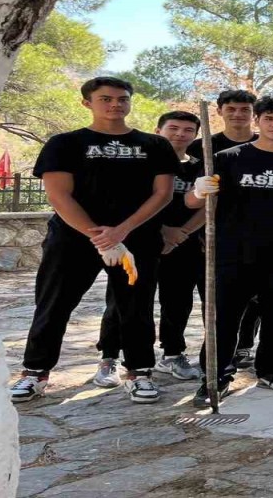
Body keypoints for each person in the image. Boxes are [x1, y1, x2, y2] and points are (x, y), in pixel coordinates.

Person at [10, 77, 179, 404]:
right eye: (106, 99)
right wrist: (99, 237)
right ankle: (35, 372)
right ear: (87, 102)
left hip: (136, 239)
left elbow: (163, 194)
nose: (115, 104)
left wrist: (122, 231)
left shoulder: (154, 146)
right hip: (73, 240)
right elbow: (59, 195)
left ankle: (139, 371)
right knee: (54, 304)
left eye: (122, 98)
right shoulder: (65, 143)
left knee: (136, 307)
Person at [187, 96, 273, 405]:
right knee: (222, 318)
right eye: (269, 119)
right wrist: (199, 190)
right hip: (231, 254)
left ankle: (272, 371)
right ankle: (215, 376)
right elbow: (191, 203)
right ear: (258, 121)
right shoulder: (226, 158)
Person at [96, 111, 208, 383]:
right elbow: (127, 203)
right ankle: (109, 357)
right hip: (139, 241)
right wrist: (162, 231)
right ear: (158, 130)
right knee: (122, 302)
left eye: (188, 130)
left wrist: (180, 233)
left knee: (178, 301)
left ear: (195, 135)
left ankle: (172, 354)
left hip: (182, 244)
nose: (180, 134)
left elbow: (208, 205)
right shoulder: (139, 162)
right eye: (173, 128)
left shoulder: (199, 166)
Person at [188, 89, 262, 370]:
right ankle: (216, 362)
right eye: (231, 109)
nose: (238, 114)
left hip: (256, 234)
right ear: (220, 111)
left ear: (253, 114)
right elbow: (193, 196)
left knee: (254, 302)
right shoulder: (202, 146)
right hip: (216, 233)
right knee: (221, 303)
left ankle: (245, 346)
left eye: (244, 109)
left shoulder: (265, 143)